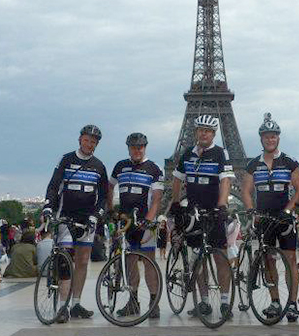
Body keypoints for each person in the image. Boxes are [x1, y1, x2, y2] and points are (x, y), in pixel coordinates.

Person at [42, 125, 109, 322]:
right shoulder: (66, 160)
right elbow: (54, 185)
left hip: (86, 219)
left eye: (94, 142)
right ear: (80, 139)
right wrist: (48, 207)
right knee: (65, 260)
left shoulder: (99, 166)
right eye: (87, 140)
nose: (90, 144)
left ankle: (76, 303)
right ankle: (63, 306)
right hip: (66, 215)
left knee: (82, 261)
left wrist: (96, 215)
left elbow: (104, 197)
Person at [242, 113, 299, 322]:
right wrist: (252, 210)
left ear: (278, 138)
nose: (270, 139)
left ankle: (293, 303)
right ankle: (275, 300)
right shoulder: (252, 165)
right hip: (264, 217)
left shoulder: (290, 162)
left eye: (273, 136)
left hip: (284, 217)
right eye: (267, 136)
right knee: (268, 260)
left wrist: (288, 210)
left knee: (291, 260)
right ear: (261, 139)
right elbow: (246, 191)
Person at [170, 114, 234, 320]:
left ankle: (225, 301)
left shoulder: (220, 153)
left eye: (207, 131)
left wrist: (222, 204)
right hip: (194, 212)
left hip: (214, 211)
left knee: (220, 257)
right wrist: (175, 203)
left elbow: (225, 180)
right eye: (200, 130)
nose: (203, 133)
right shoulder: (188, 153)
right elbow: (177, 179)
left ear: (214, 133)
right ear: (196, 131)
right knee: (198, 258)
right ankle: (204, 301)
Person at [108, 132, 164, 318]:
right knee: (130, 263)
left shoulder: (154, 169)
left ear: (145, 147)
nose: (137, 150)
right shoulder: (120, 166)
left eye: (140, 147)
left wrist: (149, 219)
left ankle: (154, 302)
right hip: (126, 222)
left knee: (149, 262)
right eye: (133, 147)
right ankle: (133, 302)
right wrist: (111, 210)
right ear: (128, 148)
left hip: (145, 223)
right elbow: (109, 187)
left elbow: (157, 199)